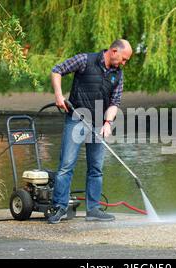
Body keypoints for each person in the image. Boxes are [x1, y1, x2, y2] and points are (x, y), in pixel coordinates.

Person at [48, 39, 133, 224]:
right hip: (75, 119)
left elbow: (114, 103)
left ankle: (93, 209)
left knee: (96, 168)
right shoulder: (85, 60)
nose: (124, 64)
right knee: (66, 165)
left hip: (97, 125)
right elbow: (56, 70)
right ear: (114, 51)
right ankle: (59, 207)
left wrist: (108, 123)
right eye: (124, 59)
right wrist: (58, 95)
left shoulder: (118, 75)